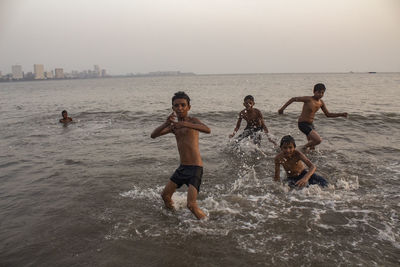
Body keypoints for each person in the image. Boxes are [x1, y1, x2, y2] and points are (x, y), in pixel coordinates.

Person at [151, 91, 211, 220]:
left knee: (191, 205)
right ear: (173, 108)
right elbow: (154, 135)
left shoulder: (192, 121)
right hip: (182, 168)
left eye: (183, 105)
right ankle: (173, 218)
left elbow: (207, 130)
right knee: (165, 196)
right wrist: (166, 124)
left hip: (195, 168)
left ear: (189, 107)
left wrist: (185, 124)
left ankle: (208, 226)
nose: (180, 108)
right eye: (176, 105)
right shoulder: (174, 127)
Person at [278, 83, 347, 150]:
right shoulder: (308, 99)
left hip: (311, 124)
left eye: (322, 93)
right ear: (314, 92)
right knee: (318, 140)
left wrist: (341, 114)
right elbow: (293, 99)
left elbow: (328, 114)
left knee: (312, 146)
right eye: (319, 92)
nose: (320, 94)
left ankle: (307, 158)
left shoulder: (321, 102)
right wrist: (282, 109)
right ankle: (300, 149)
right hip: (303, 124)